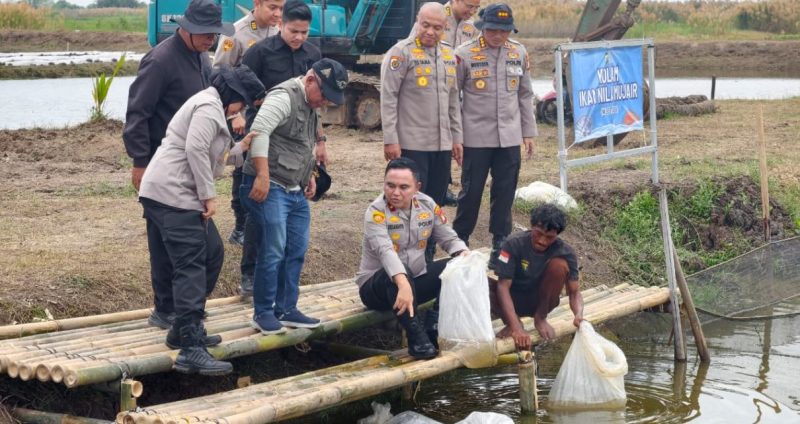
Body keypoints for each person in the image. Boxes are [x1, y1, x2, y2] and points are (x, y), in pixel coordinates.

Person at [138, 65, 266, 375]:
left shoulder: (212, 108)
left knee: (212, 252)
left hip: (168, 191)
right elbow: (195, 148)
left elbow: (213, 155)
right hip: (174, 193)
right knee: (192, 262)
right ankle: (190, 348)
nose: (243, 110)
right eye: (244, 103)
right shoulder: (209, 107)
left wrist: (240, 148)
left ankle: (182, 327)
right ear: (234, 95)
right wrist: (208, 195)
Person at [123, 0, 234, 329]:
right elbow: (137, 114)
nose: (210, 39)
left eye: (214, 34)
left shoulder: (201, 56)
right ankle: (167, 309)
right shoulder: (160, 60)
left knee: (201, 245)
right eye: (204, 33)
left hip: (188, 166)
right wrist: (140, 162)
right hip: (160, 165)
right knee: (162, 241)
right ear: (184, 27)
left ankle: (186, 308)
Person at [240, 58, 348, 334]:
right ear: (311, 79)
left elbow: (301, 143)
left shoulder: (311, 104)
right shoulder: (283, 96)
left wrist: (309, 175)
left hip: (294, 188)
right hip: (269, 184)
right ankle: (263, 312)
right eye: (323, 95)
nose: (324, 102)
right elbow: (259, 132)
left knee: (296, 249)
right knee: (274, 249)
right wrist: (262, 176)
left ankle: (287, 308)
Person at [237, 0, 325, 298]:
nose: (299, 37)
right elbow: (239, 83)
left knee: (290, 209)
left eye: (304, 31)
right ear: (280, 25)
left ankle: (281, 279)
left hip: (298, 141)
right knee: (259, 209)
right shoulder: (259, 52)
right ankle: (249, 273)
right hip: (264, 134)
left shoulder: (313, 55)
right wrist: (250, 107)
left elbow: (317, 104)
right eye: (293, 30)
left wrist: (321, 141)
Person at [357, 158, 469, 360]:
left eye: (403, 187)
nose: (395, 192)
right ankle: (416, 337)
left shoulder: (427, 205)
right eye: (390, 185)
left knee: (458, 266)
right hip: (378, 288)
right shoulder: (375, 212)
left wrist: (464, 255)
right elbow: (386, 253)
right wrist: (403, 283)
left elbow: (448, 237)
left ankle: (434, 323)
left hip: (414, 281)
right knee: (399, 273)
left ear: (417, 187)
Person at [452, 3, 537, 262]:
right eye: (493, 30)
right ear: (482, 28)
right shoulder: (464, 54)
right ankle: (460, 240)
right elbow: (452, 97)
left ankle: (501, 242)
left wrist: (528, 132)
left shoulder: (518, 52)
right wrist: (456, 137)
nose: (498, 36)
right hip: (476, 138)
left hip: (509, 138)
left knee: (504, 191)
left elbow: (525, 94)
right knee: (471, 192)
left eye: (504, 31)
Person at [381, 2, 463, 262]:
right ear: (417, 20)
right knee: (408, 202)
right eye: (425, 25)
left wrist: (457, 138)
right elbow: (389, 98)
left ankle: (426, 253)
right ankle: (403, 255)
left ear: (445, 28)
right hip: (412, 144)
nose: (430, 31)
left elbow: (453, 102)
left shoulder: (449, 54)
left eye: (437, 27)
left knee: (434, 202)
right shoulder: (400, 53)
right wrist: (391, 140)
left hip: (441, 145)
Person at [212, 0, 284, 249]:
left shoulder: (279, 31)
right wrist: (234, 115)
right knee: (244, 168)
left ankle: (263, 221)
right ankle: (241, 225)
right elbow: (220, 73)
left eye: (281, 8)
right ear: (257, 4)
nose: (277, 13)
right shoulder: (237, 32)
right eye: (272, 7)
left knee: (269, 163)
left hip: (272, 110)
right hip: (243, 112)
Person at [490, 204, 584, 351]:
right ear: (532, 226)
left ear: (557, 235)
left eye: (549, 237)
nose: (542, 241)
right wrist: (516, 328)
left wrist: (579, 315)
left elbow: (574, 292)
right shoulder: (513, 244)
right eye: (538, 233)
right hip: (512, 300)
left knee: (559, 266)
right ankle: (513, 321)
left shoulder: (566, 252)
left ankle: (540, 319)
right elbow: (503, 287)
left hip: (541, 301)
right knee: (480, 283)